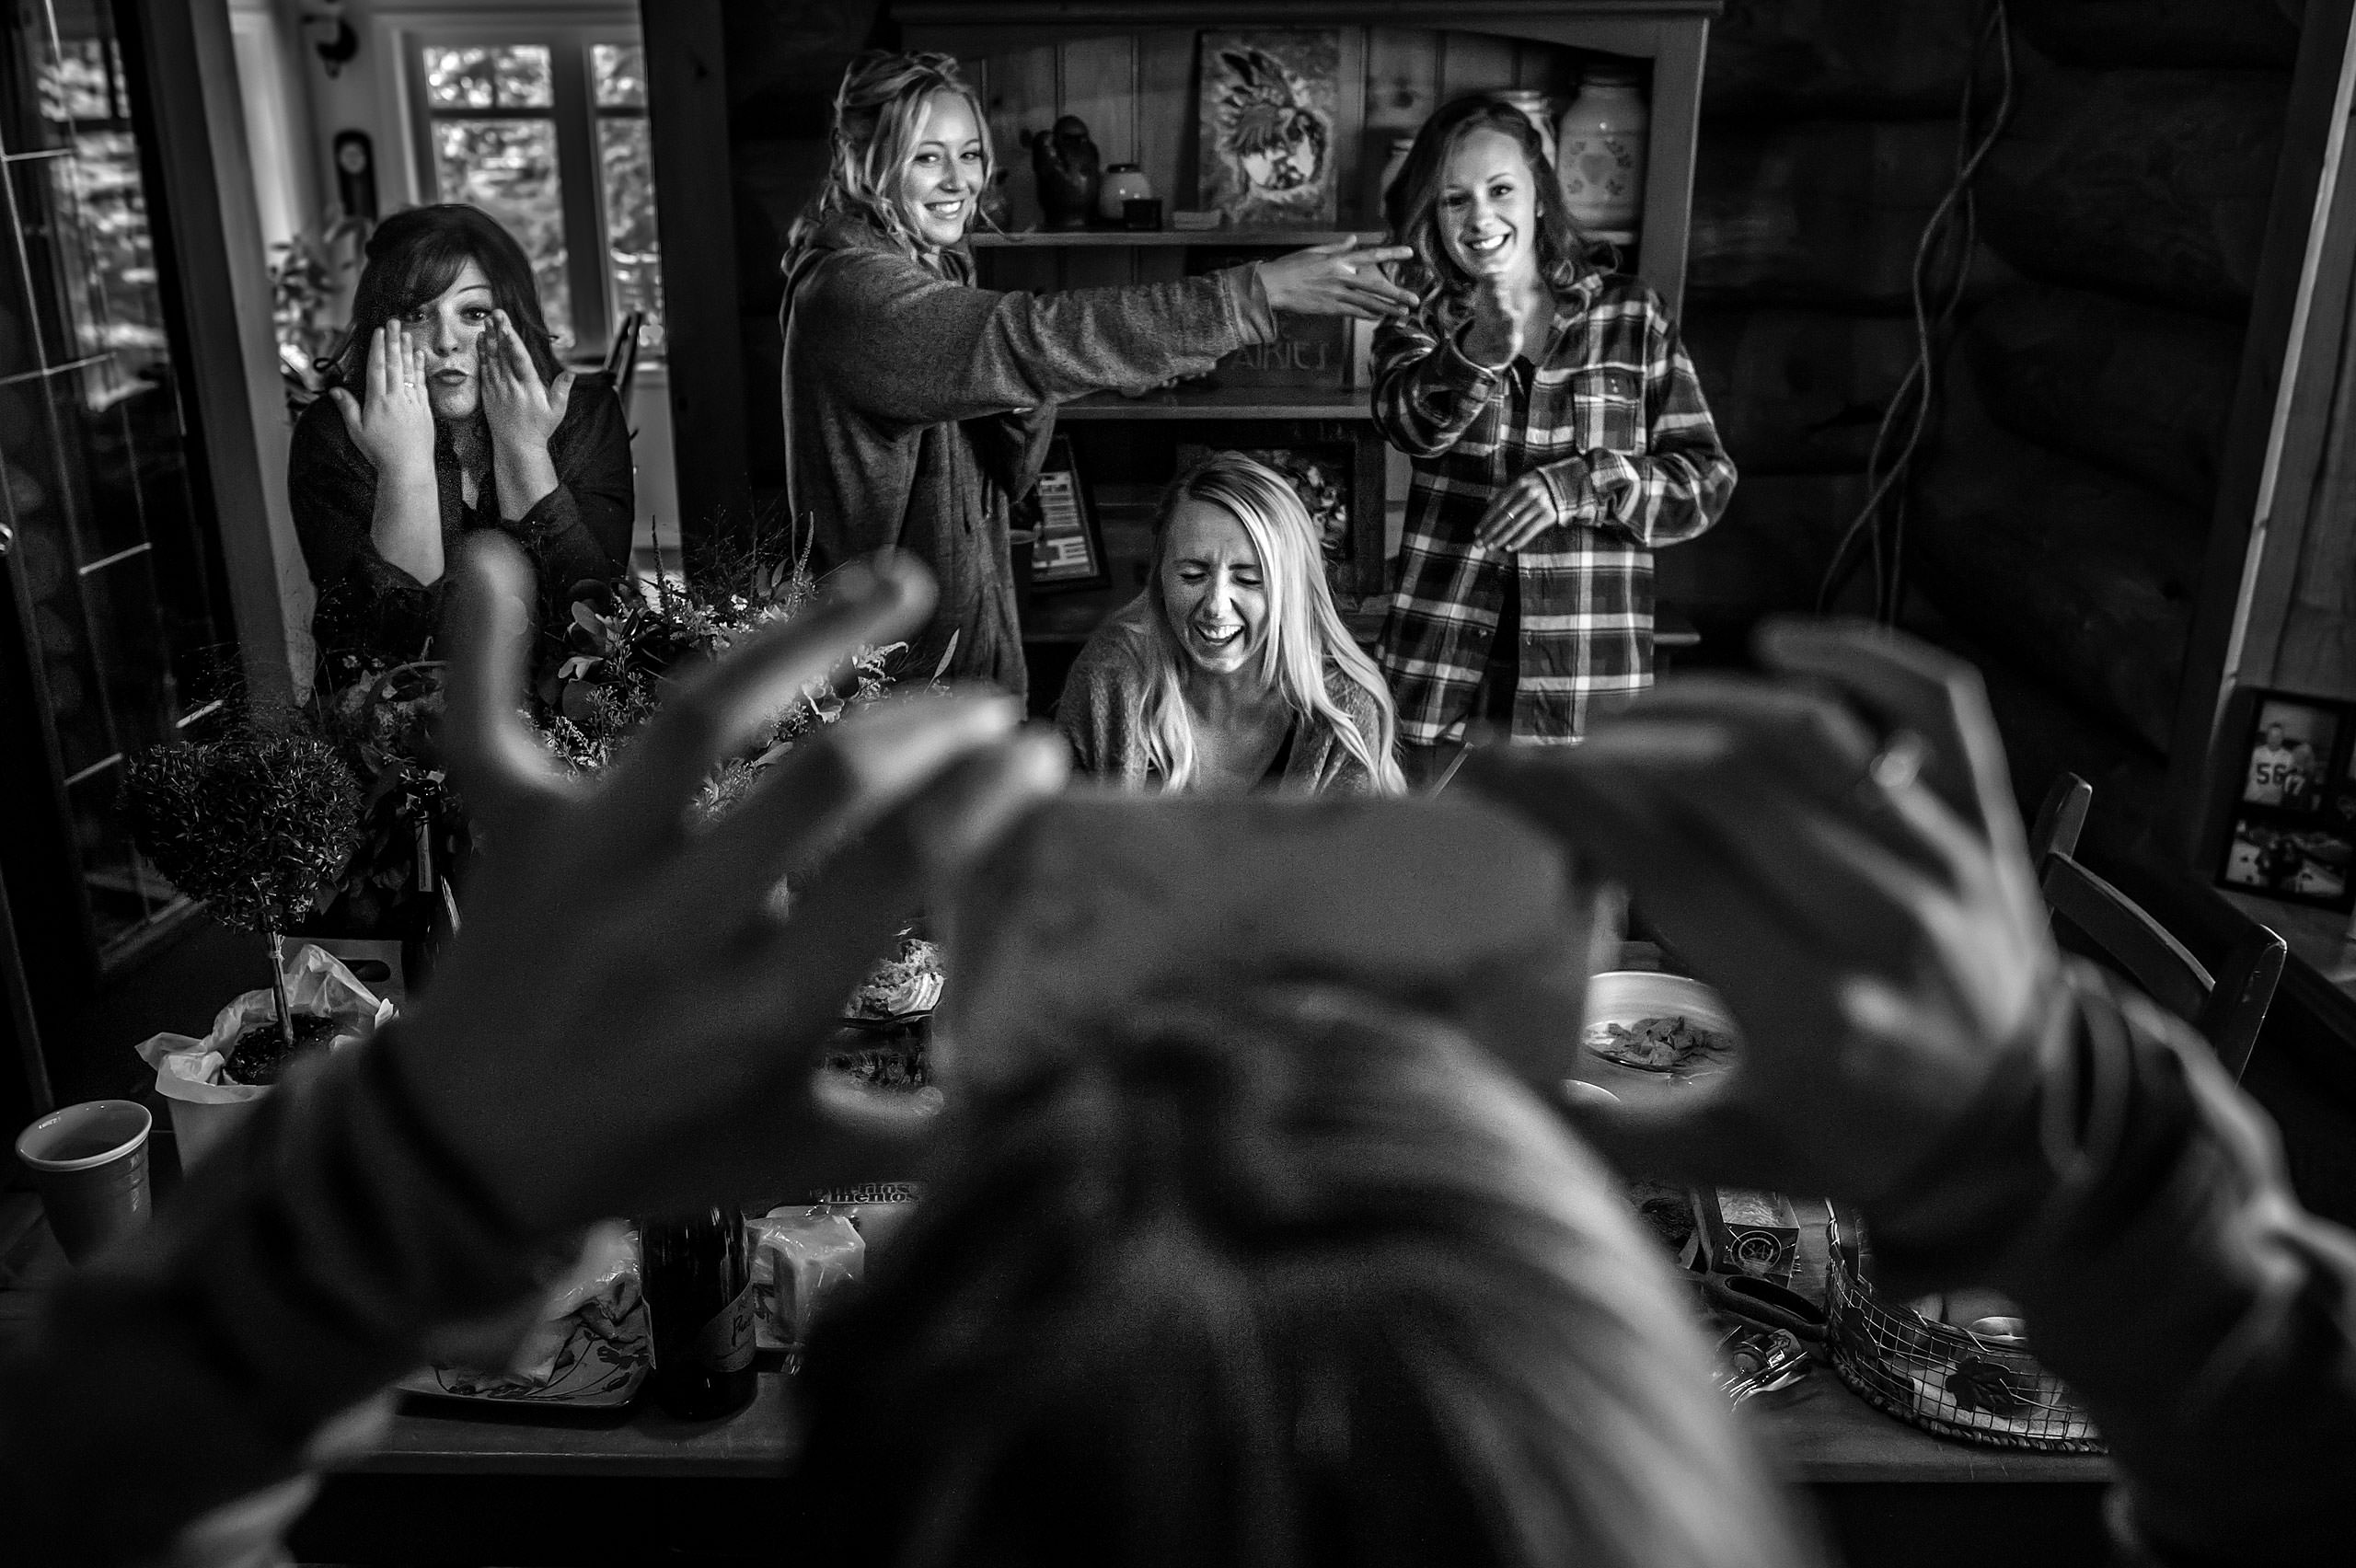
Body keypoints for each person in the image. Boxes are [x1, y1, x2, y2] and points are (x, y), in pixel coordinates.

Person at [1, 541, 2350, 1567]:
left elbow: (86, 1507)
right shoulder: (1128, 694)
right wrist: (2085, 1157)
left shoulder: (1313, 718)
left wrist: (419, 1157)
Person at [780, 51, 1417, 704]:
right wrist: (1255, 294)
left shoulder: (938, 268)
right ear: (861, 159)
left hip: (969, 661)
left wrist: (1061, 372)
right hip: (888, 691)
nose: (958, 181)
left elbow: (1015, 468)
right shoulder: (851, 293)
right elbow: (1028, 338)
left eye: (970, 154)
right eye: (926, 156)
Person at [1371, 97, 1734, 769]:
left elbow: (1706, 481)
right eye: (1455, 200)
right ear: (1433, 214)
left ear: (1539, 195)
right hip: (1438, 682)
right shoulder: (1414, 317)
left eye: (1500, 189)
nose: (1480, 217)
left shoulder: (1632, 313)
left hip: (1588, 695)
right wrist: (1477, 347)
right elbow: (1406, 422)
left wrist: (1581, 483)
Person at [291, 203, 633, 677]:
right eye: (416, 314)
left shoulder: (585, 413)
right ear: (380, 330)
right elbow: (384, 665)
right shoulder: (333, 434)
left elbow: (600, 629)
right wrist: (404, 470)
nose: (446, 341)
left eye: (474, 313)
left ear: (513, 317)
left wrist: (524, 450)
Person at [1057, 453, 1404, 793]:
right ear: (1159, 577)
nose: (1216, 606)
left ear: (1293, 591)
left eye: (1250, 580)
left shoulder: (1343, 712)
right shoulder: (1110, 673)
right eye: (1192, 575)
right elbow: (1060, 840)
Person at [2246, 722, 2297, 805]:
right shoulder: (2255, 752)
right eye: (2271, 736)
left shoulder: (2289, 757)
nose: (2274, 740)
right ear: (2266, 737)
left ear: (2282, 738)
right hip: (2252, 796)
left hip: (2274, 800)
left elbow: (2288, 782)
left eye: (2277, 737)